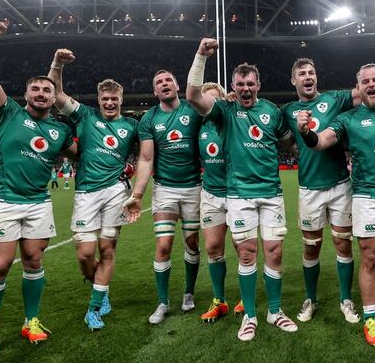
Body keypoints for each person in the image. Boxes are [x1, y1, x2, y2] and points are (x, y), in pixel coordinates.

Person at [0, 20, 77, 356]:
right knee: (0, 266)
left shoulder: (60, 132)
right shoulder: (7, 113)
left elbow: (86, 154)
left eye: (48, 90)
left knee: (33, 260)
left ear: (52, 97)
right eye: (36, 89)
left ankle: (31, 320)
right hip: (4, 200)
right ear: (27, 94)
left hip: (38, 203)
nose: (42, 94)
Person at [186, 38, 298, 341]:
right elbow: (193, 95)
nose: (246, 88)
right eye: (240, 84)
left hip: (271, 193)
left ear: (258, 84)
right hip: (238, 195)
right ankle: (249, 315)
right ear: (233, 87)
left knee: (274, 252)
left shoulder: (273, 112)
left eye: (250, 83)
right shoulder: (224, 111)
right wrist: (201, 57)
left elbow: (289, 141)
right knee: (247, 254)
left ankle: (274, 312)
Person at [280, 34, 375, 324]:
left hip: (340, 185)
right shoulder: (287, 111)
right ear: (293, 81)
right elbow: (285, 140)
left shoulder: (335, 99)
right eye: (301, 74)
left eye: (311, 73)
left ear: (316, 77)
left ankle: (346, 300)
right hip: (308, 188)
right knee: (311, 245)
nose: (308, 77)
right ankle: (311, 299)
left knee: (343, 244)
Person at [297, 63, 375, 347]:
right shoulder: (347, 118)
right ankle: (370, 317)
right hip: (366, 195)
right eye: (365, 81)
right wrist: (306, 132)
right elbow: (321, 141)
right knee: (371, 256)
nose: (371, 84)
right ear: (358, 87)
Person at [47, 50, 140, 331]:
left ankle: (95, 308)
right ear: (98, 100)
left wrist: (136, 184)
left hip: (116, 192)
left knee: (107, 249)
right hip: (86, 192)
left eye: (114, 99)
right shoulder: (85, 116)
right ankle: (99, 283)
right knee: (85, 254)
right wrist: (58, 64)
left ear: (121, 100)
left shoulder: (132, 126)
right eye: (105, 99)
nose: (110, 102)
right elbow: (56, 93)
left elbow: (148, 155)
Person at [122, 68, 203, 325]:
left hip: (194, 188)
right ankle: (162, 302)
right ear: (155, 91)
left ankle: (189, 293)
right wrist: (137, 194)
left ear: (177, 86)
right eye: (159, 82)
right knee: (164, 245)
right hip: (165, 188)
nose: (164, 84)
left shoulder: (193, 110)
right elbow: (146, 158)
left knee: (191, 243)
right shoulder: (149, 119)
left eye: (169, 79)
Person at [196, 82, 243, 322]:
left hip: (236, 192)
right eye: (206, 101)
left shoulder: (233, 121)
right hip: (211, 193)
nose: (210, 106)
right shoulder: (199, 125)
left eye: (216, 101)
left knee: (241, 246)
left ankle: (245, 297)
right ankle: (219, 300)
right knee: (213, 247)